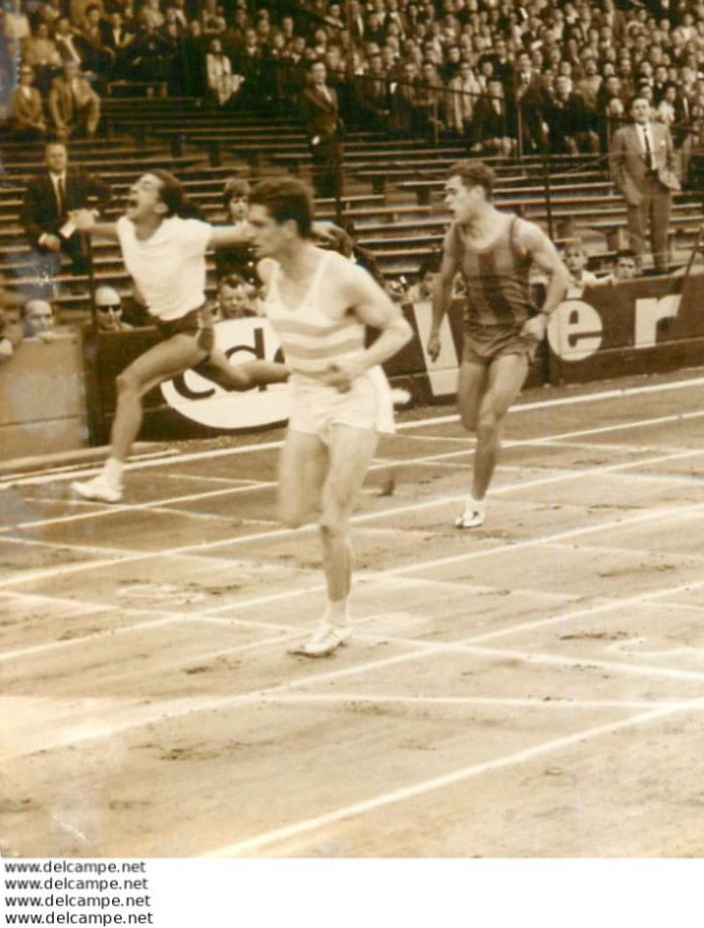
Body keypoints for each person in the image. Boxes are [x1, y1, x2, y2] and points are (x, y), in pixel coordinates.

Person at [248, 177, 413, 657]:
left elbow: (398, 328)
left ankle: (336, 621)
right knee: (291, 514)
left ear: (289, 227)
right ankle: (354, 478)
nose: (248, 231)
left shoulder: (341, 276)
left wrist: (357, 364)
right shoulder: (267, 270)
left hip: (353, 396)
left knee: (331, 521)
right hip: (306, 397)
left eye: (259, 224)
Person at [67, 171, 292, 504]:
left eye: (145, 187)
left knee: (128, 382)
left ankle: (111, 480)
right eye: (136, 184)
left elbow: (243, 232)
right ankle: (309, 370)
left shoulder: (184, 233)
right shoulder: (127, 229)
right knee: (237, 378)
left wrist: (308, 228)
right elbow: (108, 230)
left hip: (194, 329)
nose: (134, 188)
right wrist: (85, 226)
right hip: (171, 328)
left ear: (160, 207)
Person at [425, 161, 570, 529]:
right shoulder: (455, 236)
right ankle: (490, 447)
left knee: (489, 421)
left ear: (477, 192)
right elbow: (443, 283)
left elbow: (560, 276)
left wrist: (544, 317)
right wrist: (435, 330)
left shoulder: (522, 232)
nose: (446, 201)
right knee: (470, 419)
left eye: (452, 192)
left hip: (514, 337)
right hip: (476, 336)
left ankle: (475, 502)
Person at [20, 141, 110, 292]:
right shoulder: (36, 183)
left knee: (81, 241)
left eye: (61, 155)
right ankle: (48, 288)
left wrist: (92, 213)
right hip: (48, 231)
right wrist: (43, 237)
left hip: (72, 230)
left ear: (66, 158)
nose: (57, 159)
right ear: (46, 160)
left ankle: (79, 283)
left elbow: (107, 193)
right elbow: (26, 218)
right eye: (53, 156)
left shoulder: (79, 179)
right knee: (45, 261)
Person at [608, 95, 681, 274]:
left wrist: (671, 177)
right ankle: (636, 270)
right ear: (631, 113)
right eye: (637, 108)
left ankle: (661, 269)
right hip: (637, 188)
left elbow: (672, 157)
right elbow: (614, 164)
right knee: (636, 234)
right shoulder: (622, 134)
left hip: (661, 186)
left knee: (661, 232)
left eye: (644, 107)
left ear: (651, 110)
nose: (641, 111)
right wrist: (626, 188)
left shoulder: (662, 130)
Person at [299, 59, 345, 204]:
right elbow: (305, 119)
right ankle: (324, 202)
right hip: (321, 138)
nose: (320, 74)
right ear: (311, 74)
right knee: (322, 171)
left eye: (322, 71)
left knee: (337, 171)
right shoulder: (307, 94)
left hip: (335, 137)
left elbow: (335, 114)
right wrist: (315, 137)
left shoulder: (332, 91)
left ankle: (338, 200)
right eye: (316, 71)